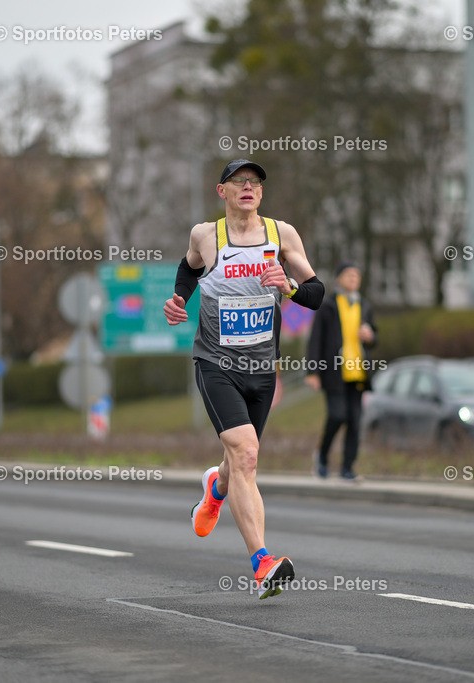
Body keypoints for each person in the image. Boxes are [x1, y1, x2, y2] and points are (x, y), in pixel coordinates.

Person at [163, 158, 324, 599]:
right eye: (240, 182)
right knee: (247, 454)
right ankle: (262, 563)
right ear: (223, 192)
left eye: (255, 182)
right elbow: (189, 267)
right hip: (216, 365)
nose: (249, 187)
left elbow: (316, 293)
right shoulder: (206, 235)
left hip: (261, 369)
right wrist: (179, 299)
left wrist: (289, 287)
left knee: (238, 466)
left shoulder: (281, 235)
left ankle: (215, 489)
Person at [305, 262, 377, 482]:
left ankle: (347, 468)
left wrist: (370, 335)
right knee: (337, 415)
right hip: (334, 372)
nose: (354, 279)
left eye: (357, 275)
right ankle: (322, 457)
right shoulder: (328, 306)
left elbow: (375, 338)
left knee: (355, 421)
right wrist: (313, 372)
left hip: (358, 373)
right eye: (349, 275)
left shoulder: (364, 305)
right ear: (339, 279)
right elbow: (315, 340)